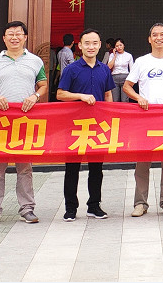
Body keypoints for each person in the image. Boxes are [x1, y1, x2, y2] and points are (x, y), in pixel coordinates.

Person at [0, 21, 47, 226]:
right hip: (0, 123)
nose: (14, 37)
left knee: (25, 168)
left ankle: (27, 209)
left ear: (25, 37)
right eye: (10, 34)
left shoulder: (35, 61)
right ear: (4, 38)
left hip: (25, 122)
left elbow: (43, 85)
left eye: (18, 34)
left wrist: (35, 96)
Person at [123, 23, 163, 217]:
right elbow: (127, 86)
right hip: (146, 117)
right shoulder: (141, 62)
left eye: (162, 35)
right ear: (149, 39)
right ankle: (140, 203)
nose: (158, 38)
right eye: (154, 35)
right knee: (142, 161)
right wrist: (139, 98)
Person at [57, 27, 114, 222]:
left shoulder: (104, 69)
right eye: (87, 43)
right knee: (72, 168)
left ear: (100, 45)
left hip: (98, 127)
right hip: (74, 127)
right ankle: (70, 208)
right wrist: (80, 96)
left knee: (96, 169)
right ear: (80, 46)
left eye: (94, 43)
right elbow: (60, 94)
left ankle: (94, 206)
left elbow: (108, 94)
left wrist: (110, 117)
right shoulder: (71, 69)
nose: (91, 46)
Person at [106, 37, 134, 102]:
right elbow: (109, 67)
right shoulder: (112, 55)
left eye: (120, 45)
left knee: (125, 100)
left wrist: (130, 81)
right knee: (115, 100)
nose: (119, 47)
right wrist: (114, 56)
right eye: (117, 46)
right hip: (114, 78)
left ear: (124, 45)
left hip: (125, 78)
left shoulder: (128, 55)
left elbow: (132, 69)